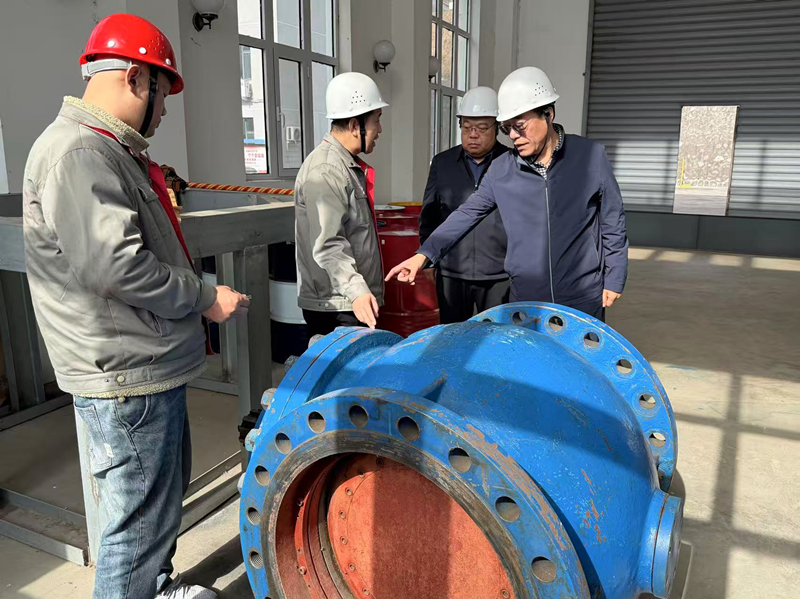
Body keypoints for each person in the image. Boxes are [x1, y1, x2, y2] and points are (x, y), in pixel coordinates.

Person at [22, 14, 249, 599]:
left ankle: (156, 586)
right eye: (163, 93)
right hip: (126, 373)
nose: (165, 110)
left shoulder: (108, 151)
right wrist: (206, 297)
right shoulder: (79, 153)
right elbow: (117, 268)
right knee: (136, 521)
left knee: (156, 502)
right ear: (134, 78)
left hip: (142, 362)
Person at [387, 67, 629, 321]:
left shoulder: (589, 156)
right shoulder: (502, 170)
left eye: (520, 126)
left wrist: (614, 275)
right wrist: (423, 255)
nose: (513, 136)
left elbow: (612, 220)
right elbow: (466, 214)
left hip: (582, 292)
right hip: (526, 296)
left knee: (577, 349)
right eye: (507, 128)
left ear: (548, 114)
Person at [294, 72, 389, 336]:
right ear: (354, 125)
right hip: (337, 307)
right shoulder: (326, 170)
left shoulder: (346, 166)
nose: (380, 129)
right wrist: (357, 291)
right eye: (376, 120)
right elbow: (327, 244)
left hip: (350, 301)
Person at [420, 86, 510, 323]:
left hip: (499, 274)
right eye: (467, 127)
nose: (473, 135)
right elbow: (429, 215)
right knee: (452, 335)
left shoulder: (512, 163)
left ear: (497, 127)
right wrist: (429, 261)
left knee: (497, 337)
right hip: (452, 272)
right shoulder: (443, 163)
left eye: (482, 128)